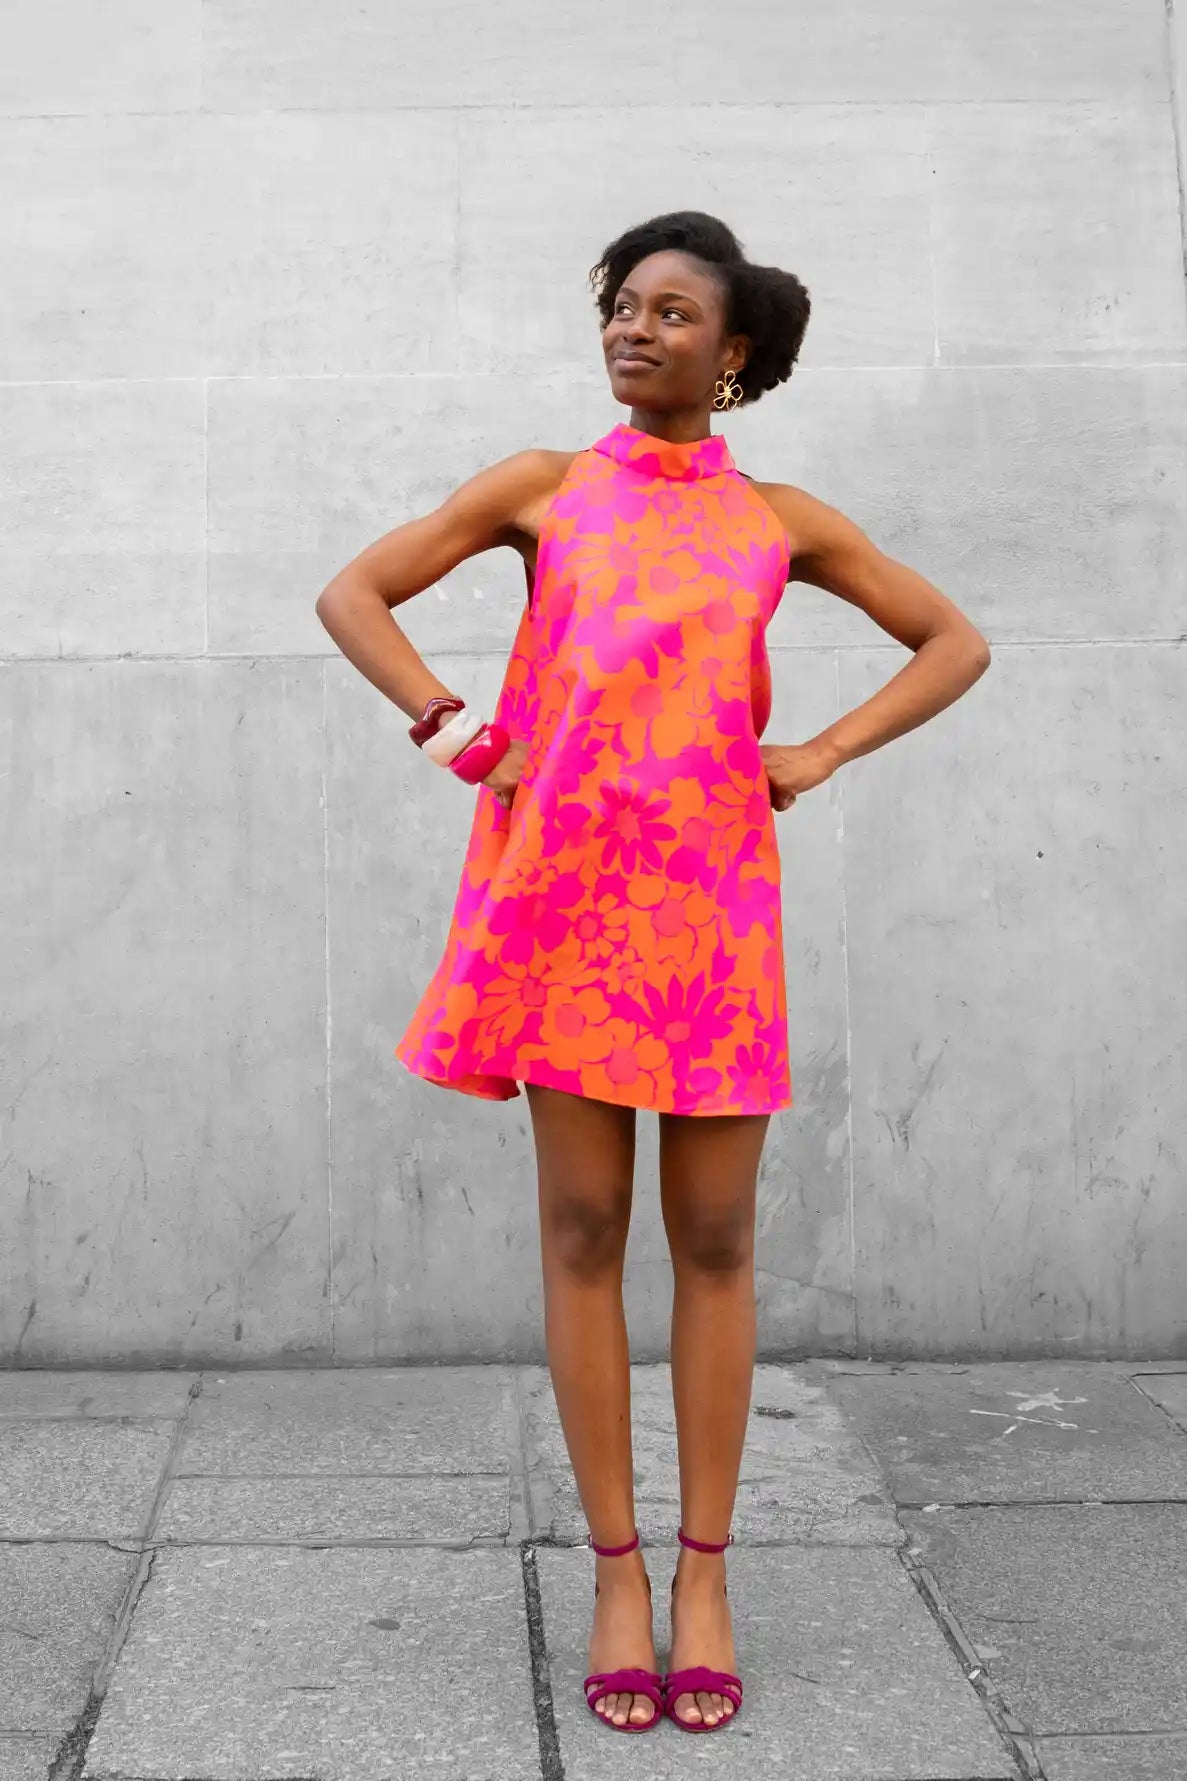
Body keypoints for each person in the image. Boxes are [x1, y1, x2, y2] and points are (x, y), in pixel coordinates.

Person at [316, 210, 991, 1735]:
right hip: (565, 908)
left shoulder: (780, 522)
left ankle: (707, 1577)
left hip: (712, 920)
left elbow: (953, 640)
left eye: (673, 312)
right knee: (580, 1230)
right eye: (624, 303)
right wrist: (461, 731)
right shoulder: (544, 489)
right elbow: (355, 592)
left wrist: (819, 749)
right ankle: (617, 1572)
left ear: (733, 351)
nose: (635, 327)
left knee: (718, 1239)